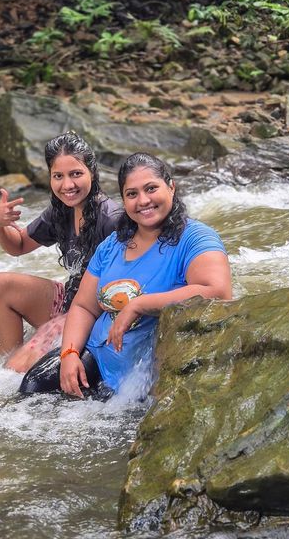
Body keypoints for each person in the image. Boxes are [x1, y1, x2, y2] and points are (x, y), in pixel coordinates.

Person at [20, 152, 232, 398]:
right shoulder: (113, 244)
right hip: (96, 358)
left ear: (171, 188)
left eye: (151, 189)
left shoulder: (195, 238)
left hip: (142, 378)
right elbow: (84, 307)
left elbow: (217, 291)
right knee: (33, 388)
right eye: (132, 194)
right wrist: (69, 354)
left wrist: (139, 305)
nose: (143, 200)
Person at [0, 132, 121, 373]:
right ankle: (6, 361)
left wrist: (67, 322)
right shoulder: (60, 211)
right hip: (69, 299)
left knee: (20, 368)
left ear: (92, 172)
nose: (67, 185)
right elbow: (18, 246)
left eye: (76, 174)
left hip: (95, 310)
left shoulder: (110, 219)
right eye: (58, 176)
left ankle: (20, 370)